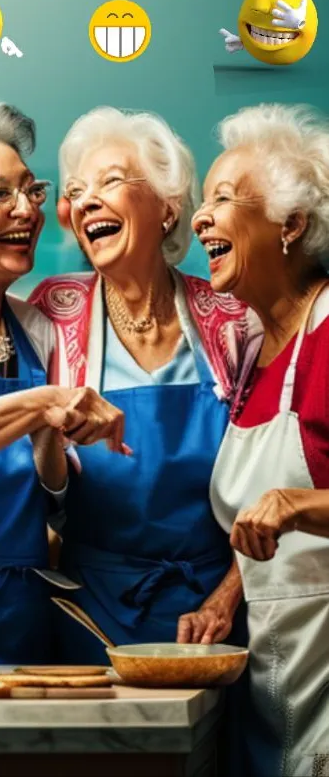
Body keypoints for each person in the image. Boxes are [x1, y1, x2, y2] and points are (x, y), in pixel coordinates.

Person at [29, 106, 260, 662]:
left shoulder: (233, 321)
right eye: (77, 190)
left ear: (167, 206)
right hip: (93, 608)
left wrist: (228, 596)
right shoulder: (52, 315)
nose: (85, 201)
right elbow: (39, 492)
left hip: (214, 612)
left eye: (110, 181)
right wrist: (49, 431)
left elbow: (272, 487)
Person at [0, 97, 126, 664]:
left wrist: (54, 440)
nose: (27, 210)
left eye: (32, 191)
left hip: (21, 616)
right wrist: (43, 402)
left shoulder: (35, 324)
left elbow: (51, 499)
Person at [192, 102, 329, 777]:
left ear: (290, 225)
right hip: (272, 690)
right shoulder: (254, 354)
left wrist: (298, 504)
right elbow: (266, 536)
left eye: (221, 198)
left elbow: (290, 509)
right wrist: (227, 592)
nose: (197, 218)